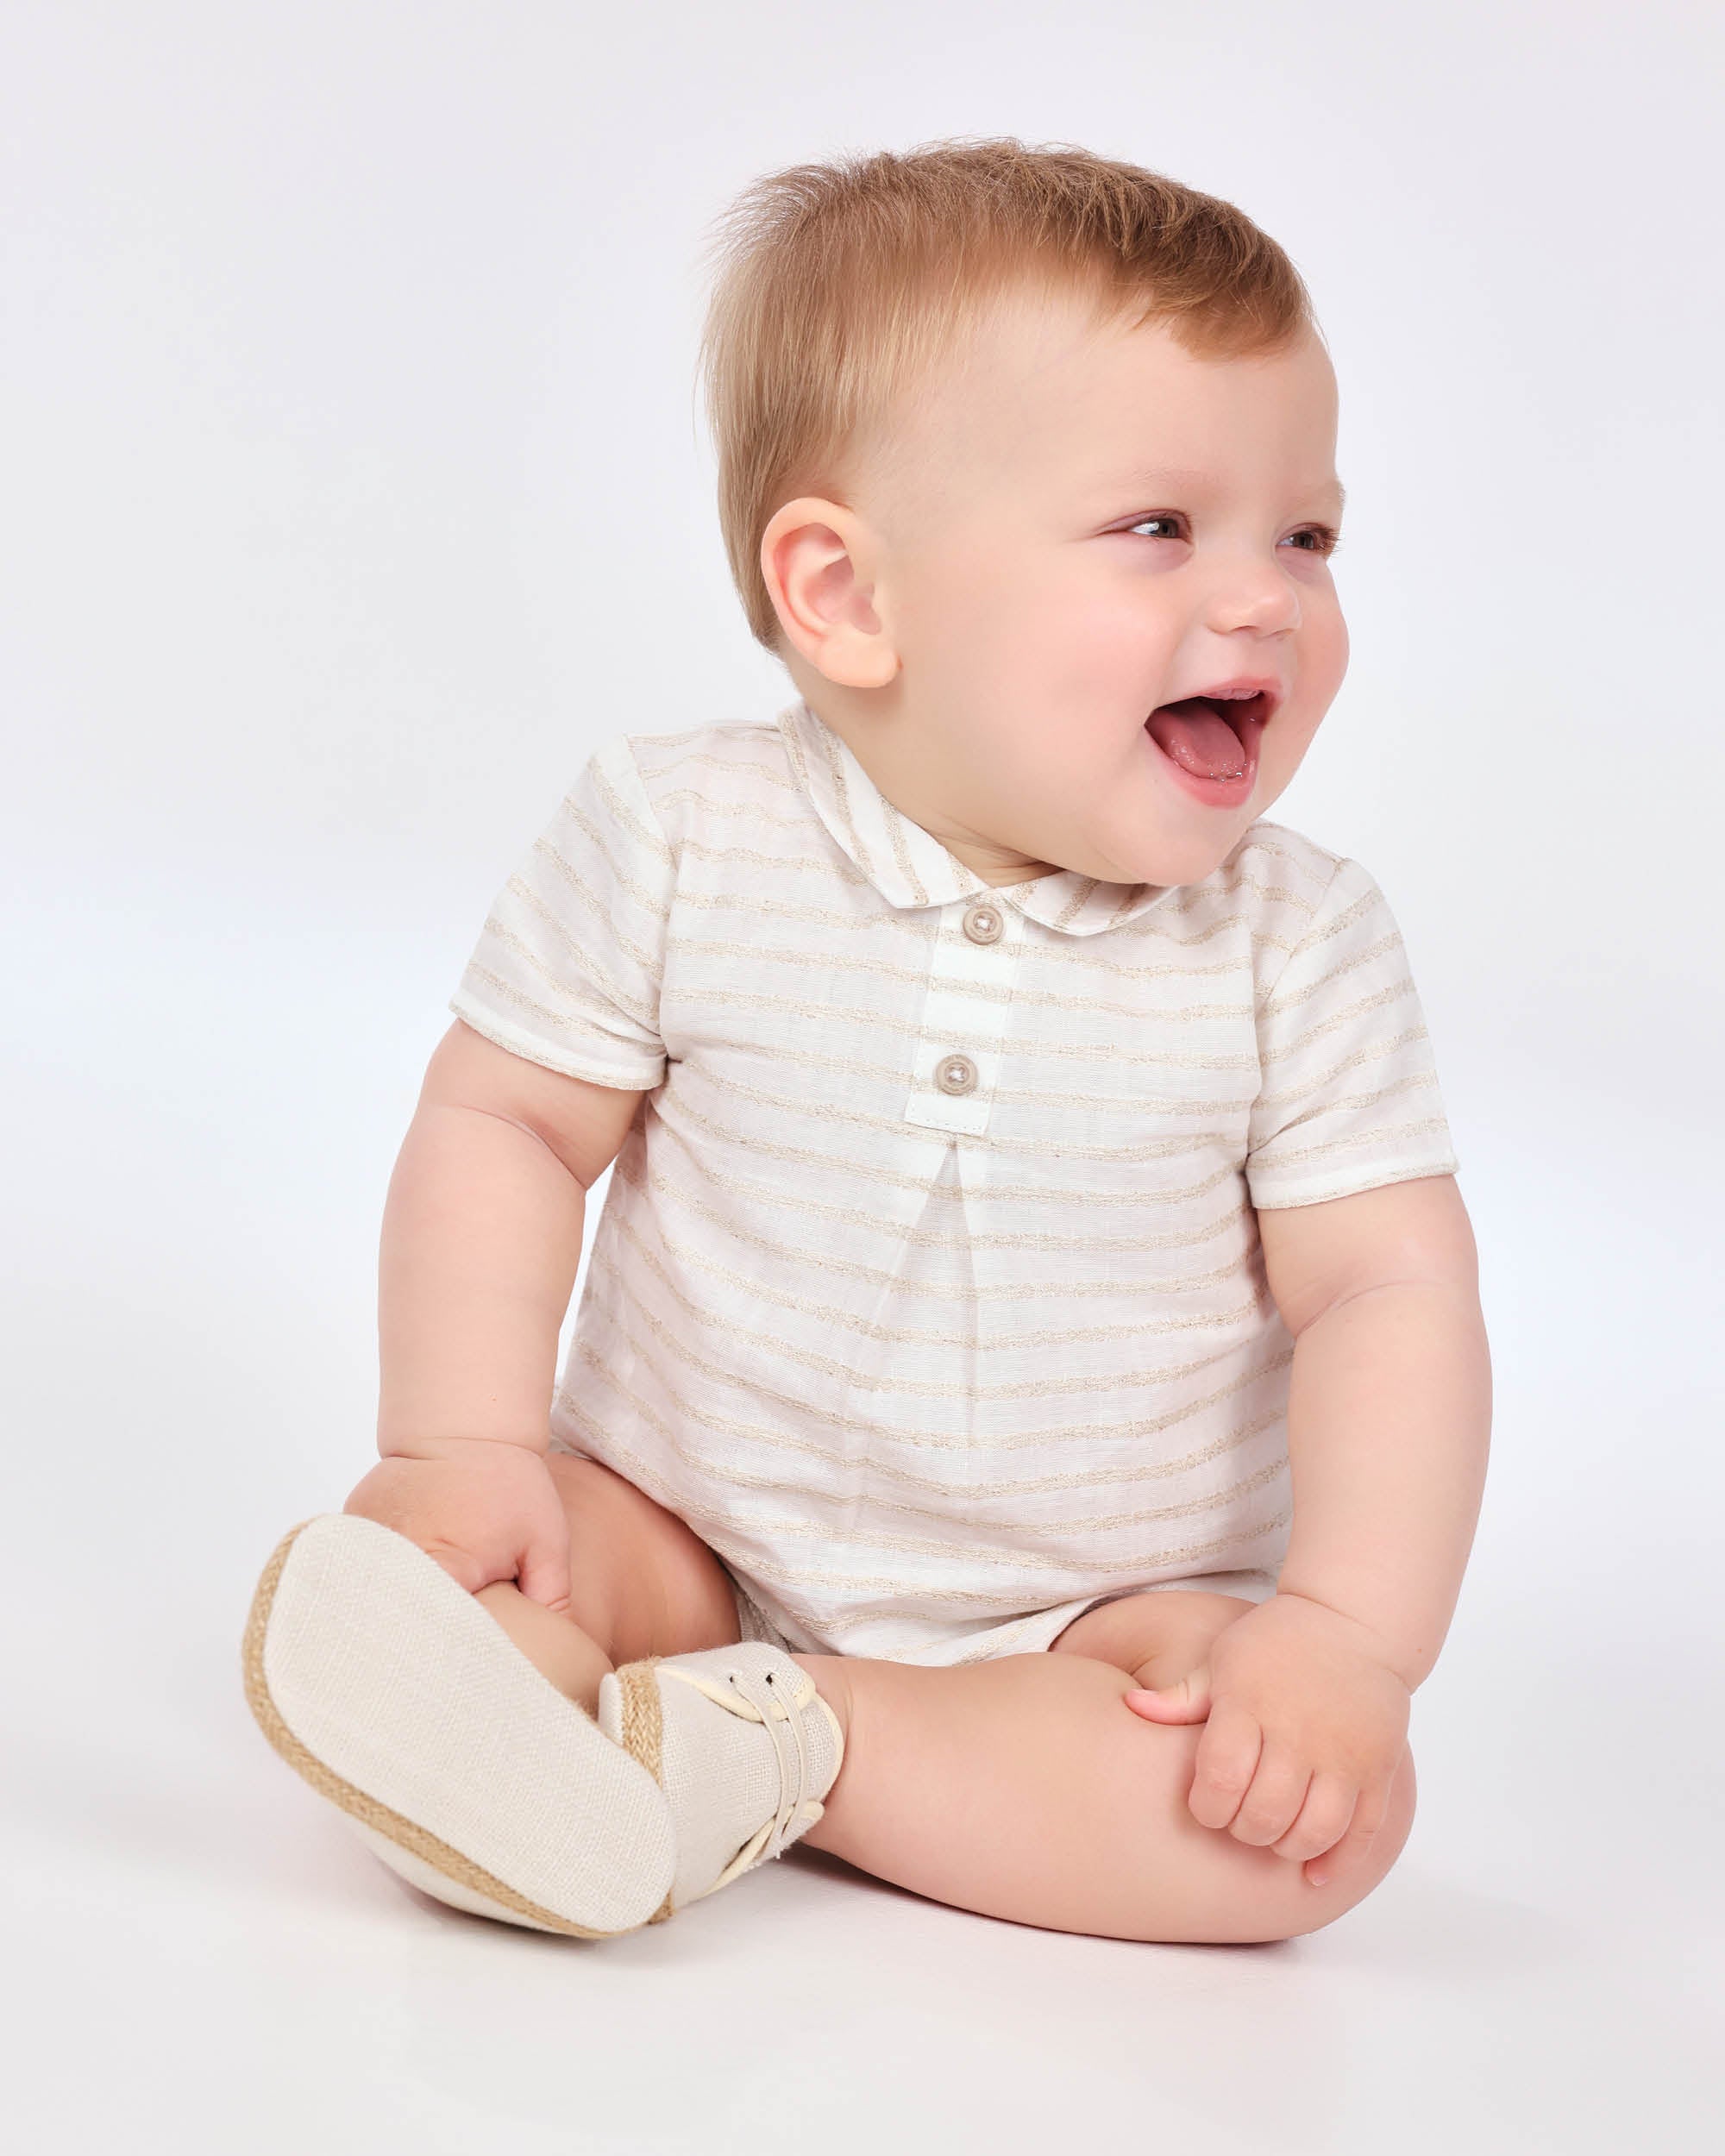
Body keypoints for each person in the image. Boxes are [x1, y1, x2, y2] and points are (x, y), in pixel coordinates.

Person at [241, 138, 1490, 1946]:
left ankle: (784, 1747)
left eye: (1306, 535)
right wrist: (459, 1442)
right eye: (1162, 527)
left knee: (1298, 1825)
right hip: (679, 1521)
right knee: (486, 1569)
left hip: (1090, 1614)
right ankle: (532, 1723)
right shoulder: (683, 833)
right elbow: (508, 1126)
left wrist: (1344, 1640)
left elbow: (1386, 1291)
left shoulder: (1296, 943)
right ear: (846, 594)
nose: (1265, 599)